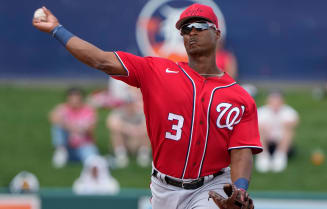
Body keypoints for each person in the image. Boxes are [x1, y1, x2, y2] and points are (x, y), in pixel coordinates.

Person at [33, 4, 261, 209]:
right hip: (163, 188)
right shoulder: (157, 71)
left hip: (211, 188)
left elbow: (241, 151)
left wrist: (239, 189)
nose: (191, 31)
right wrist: (57, 29)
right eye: (185, 28)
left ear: (217, 33)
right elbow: (100, 59)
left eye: (199, 25)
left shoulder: (239, 97)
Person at [49, 87, 98, 168]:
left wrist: (69, 126)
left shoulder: (88, 110)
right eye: (72, 99)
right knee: (57, 127)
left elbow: (90, 129)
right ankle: (60, 150)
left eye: (77, 99)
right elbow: (53, 118)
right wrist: (72, 128)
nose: (74, 101)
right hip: (67, 146)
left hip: (84, 145)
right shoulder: (63, 108)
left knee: (92, 161)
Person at [106, 87, 151, 168]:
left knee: (147, 132)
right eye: (127, 103)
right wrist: (129, 129)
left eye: (131, 103)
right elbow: (111, 123)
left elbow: (148, 125)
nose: (129, 106)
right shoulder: (119, 112)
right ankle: (121, 157)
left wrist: (135, 130)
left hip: (138, 141)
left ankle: (143, 156)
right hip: (125, 141)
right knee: (116, 133)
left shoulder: (141, 112)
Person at [256, 91, 299, 173]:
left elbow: (294, 123)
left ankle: (280, 156)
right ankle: (263, 157)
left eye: (277, 101)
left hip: (282, 143)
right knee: (259, 129)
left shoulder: (288, 112)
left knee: (288, 130)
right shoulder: (261, 112)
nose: (275, 103)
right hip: (266, 142)